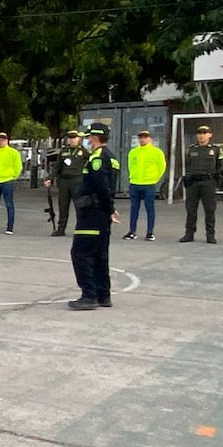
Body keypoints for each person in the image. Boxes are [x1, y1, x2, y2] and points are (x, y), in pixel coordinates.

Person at [68, 122, 120, 310]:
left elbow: (101, 187)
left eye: (89, 136)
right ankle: (103, 294)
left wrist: (108, 208)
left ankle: (89, 295)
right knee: (100, 255)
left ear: (95, 137)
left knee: (81, 253)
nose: (88, 139)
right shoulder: (112, 157)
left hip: (92, 213)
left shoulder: (98, 158)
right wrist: (109, 209)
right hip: (101, 213)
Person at [180, 125, 223, 244]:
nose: (201, 135)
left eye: (204, 132)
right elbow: (187, 165)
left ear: (210, 135)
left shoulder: (216, 149)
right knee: (191, 210)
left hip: (208, 182)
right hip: (193, 183)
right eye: (199, 133)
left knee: (209, 210)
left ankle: (210, 235)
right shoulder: (191, 149)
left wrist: (216, 181)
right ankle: (189, 234)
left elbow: (219, 166)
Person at [124, 130, 166, 241]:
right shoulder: (133, 152)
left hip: (149, 184)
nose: (142, 139)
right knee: (134, 208)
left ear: (150, 139)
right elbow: (130, 166)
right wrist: (132, 177)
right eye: (141, 137)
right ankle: (132, 231)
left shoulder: (157, 152)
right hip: (135, 183)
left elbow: (161, 167)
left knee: (150, 208)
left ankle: (150, 232)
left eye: (145, 137)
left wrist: (154, 179)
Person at [45, 131, 87, 236]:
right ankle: (61, 228)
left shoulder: (83, 151)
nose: (72, 140)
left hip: (77, 180)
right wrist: (50, 178)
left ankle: (80, 228)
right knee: (63, 206)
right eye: (70, 138)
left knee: (79, 205)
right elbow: (57, 167)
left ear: (78, 139)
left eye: (74, 138)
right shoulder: (63, 151)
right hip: (64, 181)